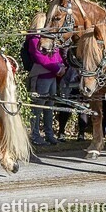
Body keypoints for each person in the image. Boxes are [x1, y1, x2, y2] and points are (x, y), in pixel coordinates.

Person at [27, 12, 65, 145]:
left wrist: (61, 65)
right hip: (41, 76)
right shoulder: (34, 39)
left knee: (50, 106)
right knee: (37, 107)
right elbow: (40, 58)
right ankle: (35, 135)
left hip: (52, 76)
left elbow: (56, 53)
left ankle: (49, 134)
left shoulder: (48, 38)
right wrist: (56, 68)